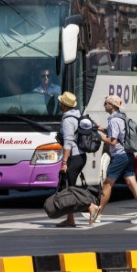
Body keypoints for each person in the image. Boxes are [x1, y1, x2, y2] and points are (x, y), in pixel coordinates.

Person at [87, 95, 137, 225]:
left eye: (106, 103)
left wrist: (99, 137)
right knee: (132, 184)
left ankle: (98, 215)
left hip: (119, 156)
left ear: (111, 105)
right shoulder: (121, 117)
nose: (104, 105)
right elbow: (115, 134)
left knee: (107, 184)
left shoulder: (114, 120)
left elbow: (113, 141)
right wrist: (101, 129)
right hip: (128, 155)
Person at [55, 92, 86, 228]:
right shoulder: (77, 115)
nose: (59, 103)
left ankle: (91, 207)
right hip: (80, 156)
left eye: (61, 102)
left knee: (69, 188)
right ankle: (70, 219)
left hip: (74, 157)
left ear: (64, 105)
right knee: (67, 187)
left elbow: (68, 142)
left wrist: (64, 163)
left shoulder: (68, 120)